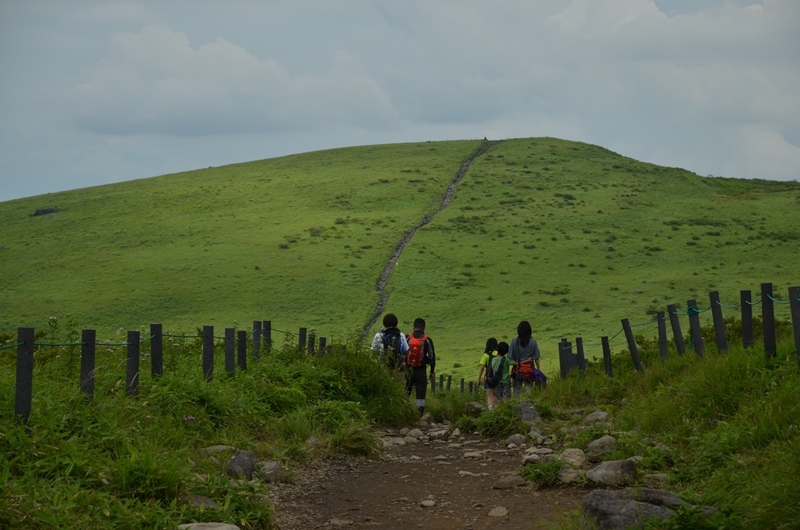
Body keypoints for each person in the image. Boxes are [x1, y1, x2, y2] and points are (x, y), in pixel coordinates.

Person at [405, 318, 435, 415]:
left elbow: (402, 352)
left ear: (413, 327)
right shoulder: (427, 340)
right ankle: (419, 416)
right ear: (424, 328)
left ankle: (404, 413)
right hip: (421, 371)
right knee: (420, 395)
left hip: (408, 370)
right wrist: (432, 372)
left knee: (406, 392)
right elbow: (432, 357)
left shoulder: (407, 338)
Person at [508, 320, 541, 396]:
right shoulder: (533, 342)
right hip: (529, 370)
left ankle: (516, 406)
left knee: (516, 392)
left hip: (517, 370)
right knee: (529, 391)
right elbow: (536, 358)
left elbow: (510, 358)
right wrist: (538, 370)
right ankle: (530, 406)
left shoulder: (514, 341)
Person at [477, 338, 498, 410]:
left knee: (489, 395)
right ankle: (497, 409)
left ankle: (490, 410)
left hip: (488, 377)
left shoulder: (486, 355)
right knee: (495, 395)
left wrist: (479, 379)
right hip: (498, 377)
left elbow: (482, 368)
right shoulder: (498, 353)